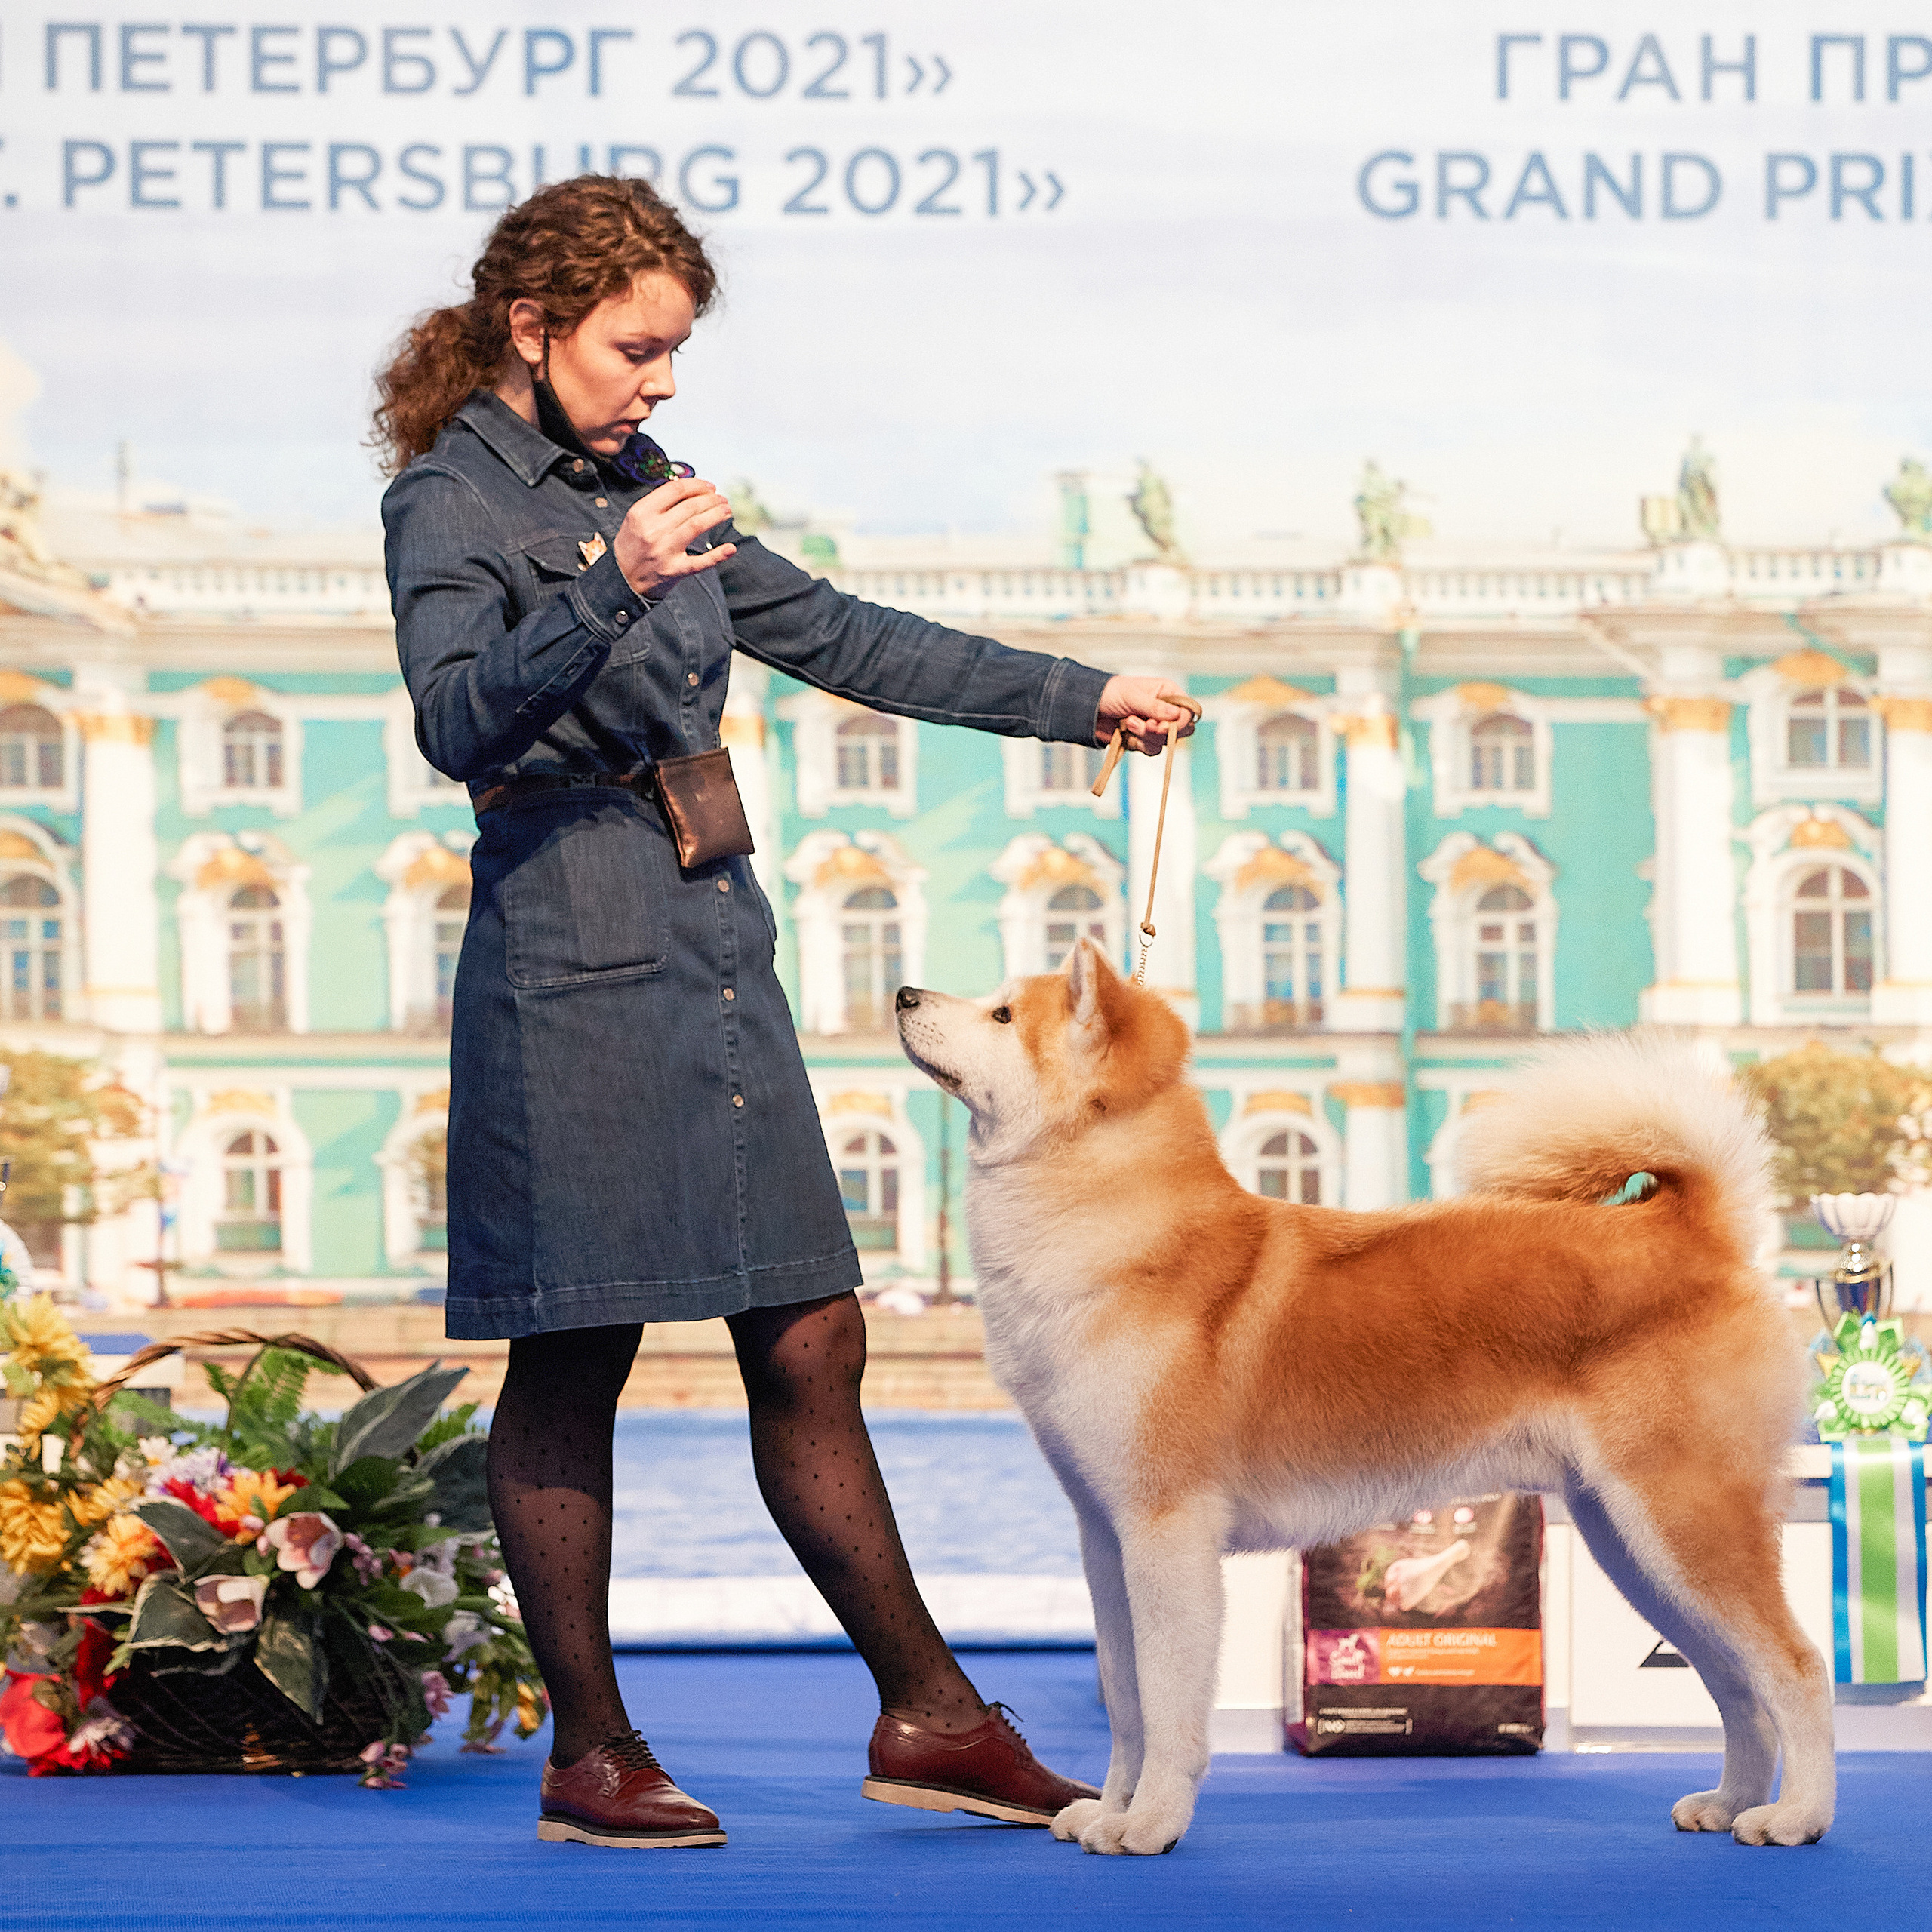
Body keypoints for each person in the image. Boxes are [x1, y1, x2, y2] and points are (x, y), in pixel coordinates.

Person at [375, 174, 1194, 1851]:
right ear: (535, 328)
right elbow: (458, 723)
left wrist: (1077, 697)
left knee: (812, 1327)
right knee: (575, 1344)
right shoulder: (449, 497)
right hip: (565, 962)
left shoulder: (652, 483)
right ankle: (590, 1747)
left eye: (675, 352)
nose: (663, 382)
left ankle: (933, 1715)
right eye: (635, 348)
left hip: (709, 945)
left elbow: (845, 639)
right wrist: (606, 581)